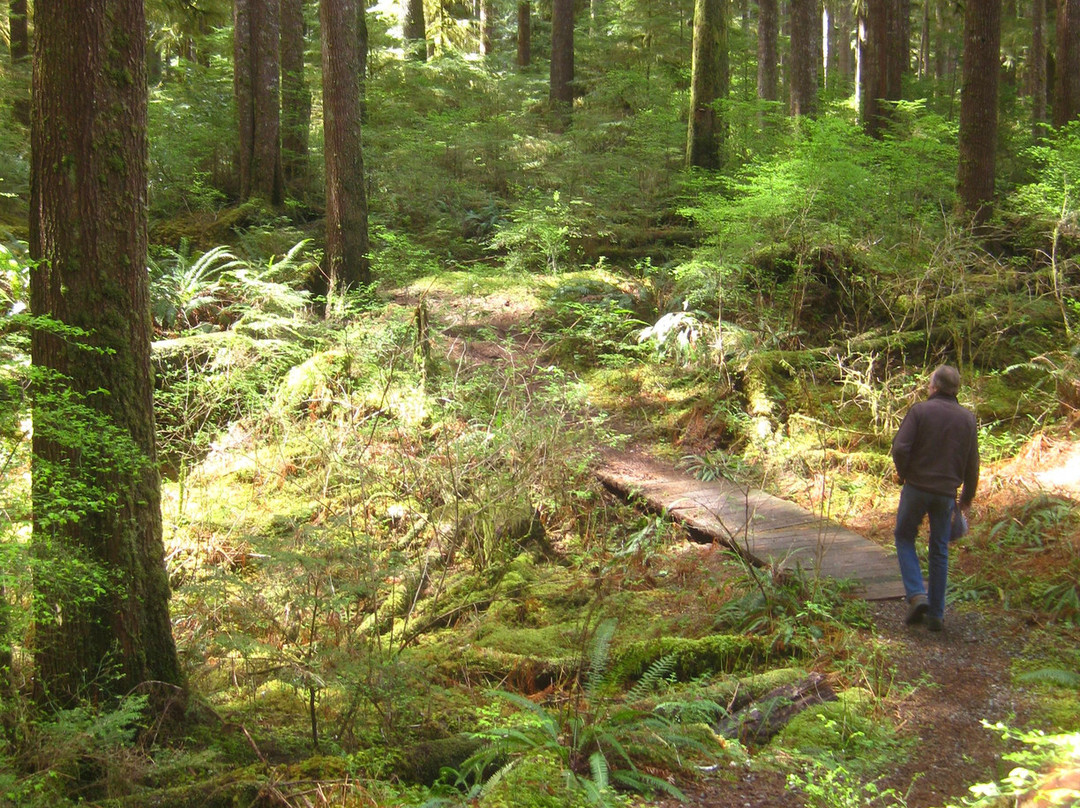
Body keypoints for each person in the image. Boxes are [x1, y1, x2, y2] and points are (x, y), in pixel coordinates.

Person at [891, 365, 979, 632]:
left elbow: (900, 448)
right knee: (939, 549)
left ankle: (917, 595)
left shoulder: (920, 411)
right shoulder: (968, 419)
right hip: (946, 495)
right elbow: (972, 464)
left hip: (916, 487)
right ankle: (937, 614)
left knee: (904, 536)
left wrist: (904, 473)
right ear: (956, 390)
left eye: (930, 384)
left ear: (935, 387)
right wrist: (966, 498)